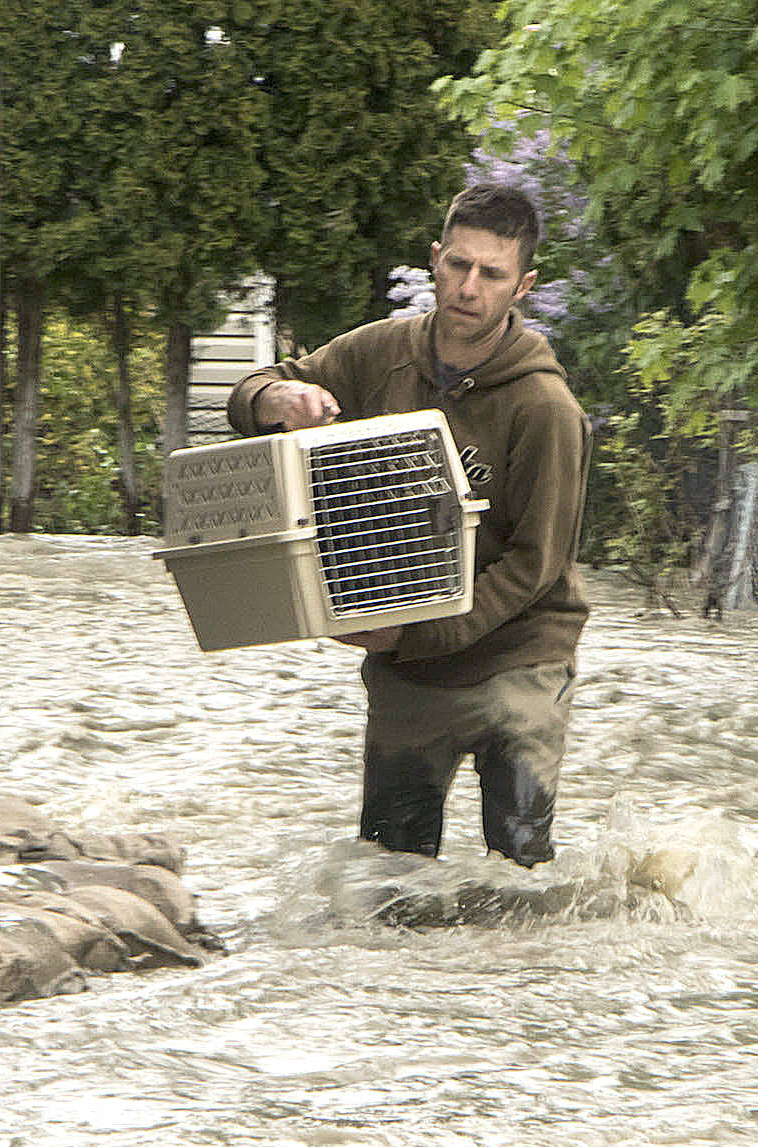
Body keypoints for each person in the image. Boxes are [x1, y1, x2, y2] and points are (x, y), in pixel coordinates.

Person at [226, 183, 592, 867]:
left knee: (517, 878)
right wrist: (279, 396)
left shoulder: (546, 408)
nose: (469, 287)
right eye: (457, 264)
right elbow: (247, 394)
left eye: (492, 273)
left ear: (523, 286)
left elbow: (535, 566)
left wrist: (416, 630)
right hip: (409, 663)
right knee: (388, 877)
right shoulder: (379, 353)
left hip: (521, 655)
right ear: (434, 259)